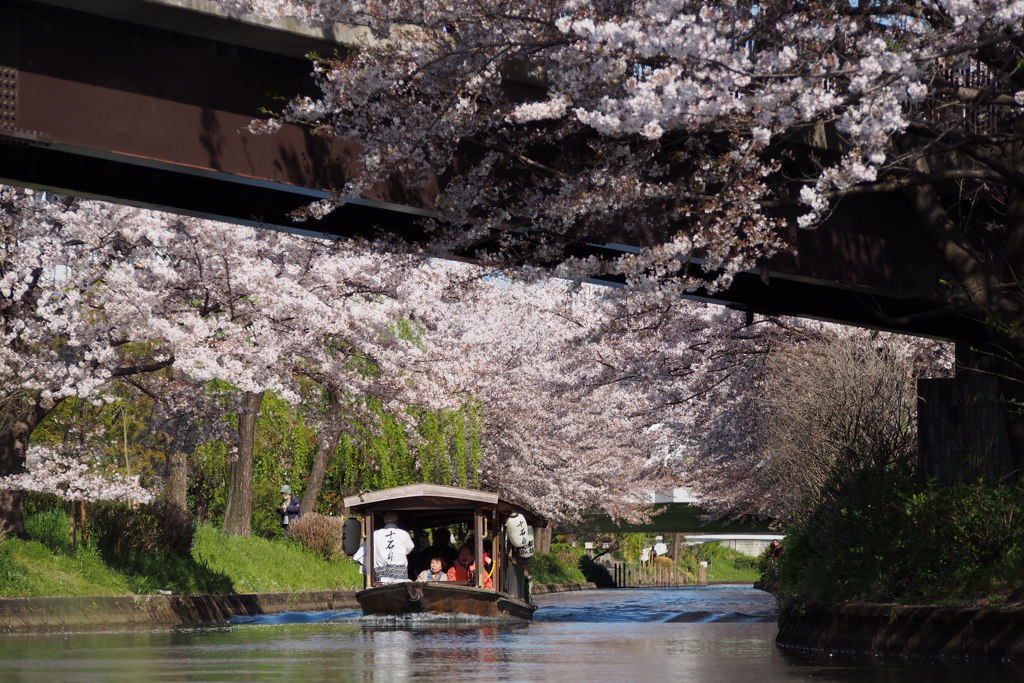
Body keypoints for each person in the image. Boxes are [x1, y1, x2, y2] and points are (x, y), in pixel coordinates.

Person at [367, 511, 415, 584]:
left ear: (384, 521)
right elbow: (410, 548)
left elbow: (369, 549)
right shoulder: (403, 533)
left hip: (381, 570)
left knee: (383, 590)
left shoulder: (376, 534)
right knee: (399, 591)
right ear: (397, 521)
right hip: (399, 570)